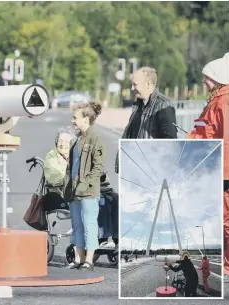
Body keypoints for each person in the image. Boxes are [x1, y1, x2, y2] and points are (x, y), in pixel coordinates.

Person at [187, 53, 229, 278]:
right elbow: (204, 127)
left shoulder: (224, 101)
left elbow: (225, 137)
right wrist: (192, 135)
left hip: (221, 170)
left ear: (217, 78)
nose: (203, 82)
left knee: (225, 219)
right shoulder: (215, 100)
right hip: (213, 166)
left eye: (207, 78)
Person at [64, 101, 105, 271]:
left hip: (88, 192)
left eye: (75, 118)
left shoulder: (95, 139)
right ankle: (78, 258)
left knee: (89, 225)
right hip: (74, 192)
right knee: (77, 225)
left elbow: (98, 167)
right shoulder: (76, 140)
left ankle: (89, 260)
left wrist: (86, 183)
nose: (72, 121)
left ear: (86, 119)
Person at [115, 67, 177, 173]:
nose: (132, 88)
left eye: (135, 84)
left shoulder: (163, 105)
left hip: (151, 171)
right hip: (135, 169)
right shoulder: (138, 105)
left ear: (148, 84)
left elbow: (170, 142)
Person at [43, 126, 80, 267]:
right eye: (60, 140)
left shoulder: (75, 155)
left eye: (66, 140)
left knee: (110, 198)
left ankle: (109, 238)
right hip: (60, 195)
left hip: (76, 192)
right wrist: (72, 176)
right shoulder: (51, 156)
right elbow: (54, 177)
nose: (63, 143)